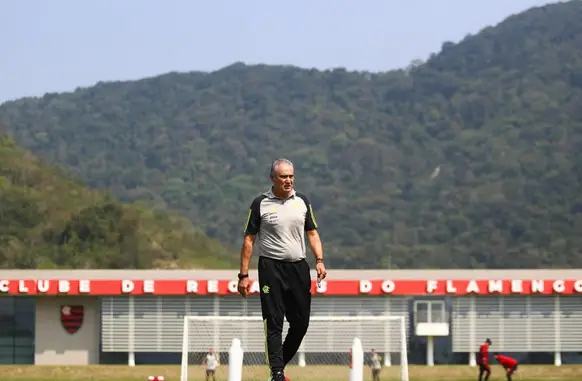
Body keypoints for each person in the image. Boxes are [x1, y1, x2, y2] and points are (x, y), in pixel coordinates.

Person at [237, 158, 327, 381]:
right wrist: (243, 275)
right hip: (271, 268)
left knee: (300, 323)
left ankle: (278, 365)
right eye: (283, 177)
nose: (288, 180)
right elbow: (248, 240)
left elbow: (312, 233)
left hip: (298, 267)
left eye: (291, 176)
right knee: (274, 321)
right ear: (272, 179)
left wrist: (319, 260)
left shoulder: (302, 201)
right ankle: (277, 374)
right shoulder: (260, 203)